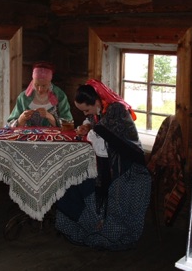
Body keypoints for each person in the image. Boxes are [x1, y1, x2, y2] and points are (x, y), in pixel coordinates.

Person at [55, 79, 151, 251]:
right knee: (73, 181)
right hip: (108, 161)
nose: (86, 114)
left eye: (86, 109)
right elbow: (95, 123)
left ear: (96, 101)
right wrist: (88, 125)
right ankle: (88, 223)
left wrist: (93, 128)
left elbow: (108, 133)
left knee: (100, 187)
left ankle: (107, 230)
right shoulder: (101, 109)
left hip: (128, 164)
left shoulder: (116, 110)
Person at [7, 61, 73, 127]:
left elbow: (69, 123)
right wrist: (21, 119)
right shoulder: (23, 97)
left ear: (50, 82)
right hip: (28, 136)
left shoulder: (59, 96)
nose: (40, 89)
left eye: (44, 85)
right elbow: (9, 125)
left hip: (52, 137)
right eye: (36, 84)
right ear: (32, 81)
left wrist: (50, 117)